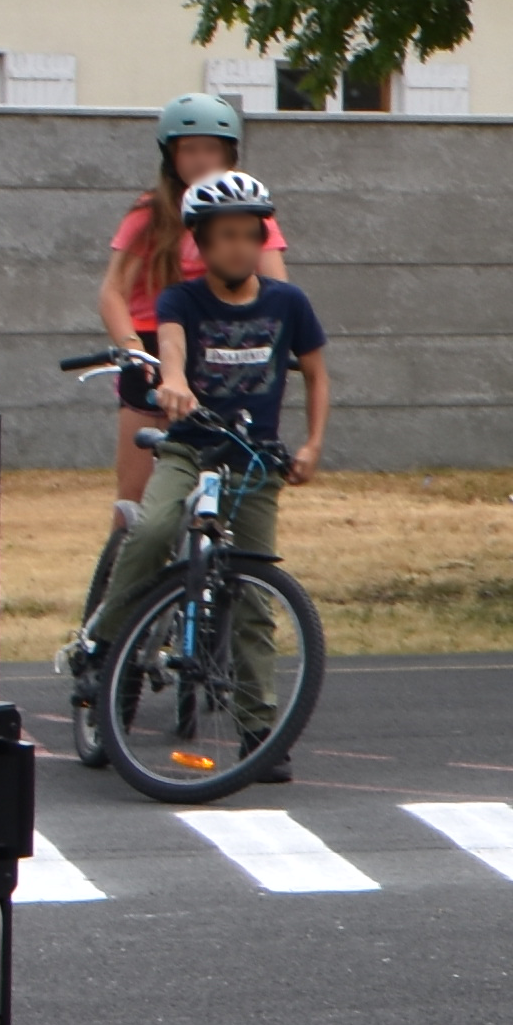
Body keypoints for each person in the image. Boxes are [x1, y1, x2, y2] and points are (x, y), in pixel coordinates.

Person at [74, 170, 326, 745]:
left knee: (256, 595)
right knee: (154, 526)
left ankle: (260, 731)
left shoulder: (288, 303)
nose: (237, 246)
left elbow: (315, 373)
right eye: (224, 236)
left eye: (247, 235)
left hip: (255, 460)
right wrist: (174, 382)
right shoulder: (180, 299)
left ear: (261, 240)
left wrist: (311, 444)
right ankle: (104, 642)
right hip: (191, 447)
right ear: (202, 245)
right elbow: (172, 347)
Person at [78, 93, 271, 644]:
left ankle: (217, 604)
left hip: (219, 348)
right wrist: (130, 350)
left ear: (229, 153)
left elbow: (276, 286)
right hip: (150, 346)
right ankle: (114, 636)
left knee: (230, 498)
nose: (200, 161)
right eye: (189, 151)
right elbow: (113, 290)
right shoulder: (150, 212)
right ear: (171, 156)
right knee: (135, 509)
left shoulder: (248, 212)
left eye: (211, 149)